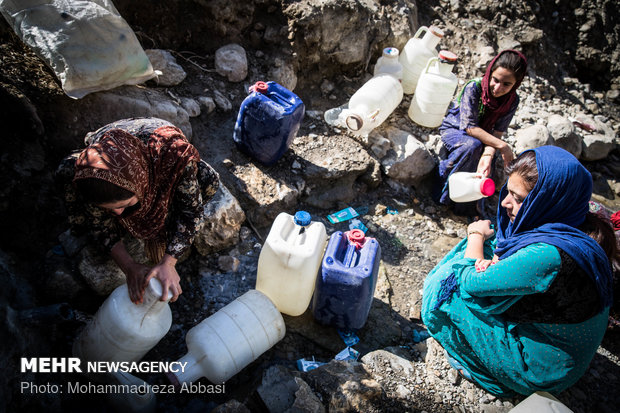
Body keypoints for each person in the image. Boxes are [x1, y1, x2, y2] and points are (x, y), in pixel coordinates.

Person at [422, 146, 617, 396]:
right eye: (509, 192)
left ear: (547, 200)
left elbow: (469, 282)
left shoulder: (547, 255)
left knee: (444, 289)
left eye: (519, 198)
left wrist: (474, 234)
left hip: (539, 372)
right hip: (561, 356)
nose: (504, 202)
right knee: (487, 249)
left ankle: (490, 373)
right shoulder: (576, 223)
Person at [56, 118, 219, 304]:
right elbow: (98, 223)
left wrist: (169, 262)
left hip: (156, 162)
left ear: (141, 186)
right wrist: (129, 266)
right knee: (69, 177)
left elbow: (191, 214)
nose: (118, 214)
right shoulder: (90, 170)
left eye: (124, 205)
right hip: (119, 171)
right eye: (109, 208)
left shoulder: (175, 159)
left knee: (207, 182)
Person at [436, 49, 528, 209]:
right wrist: (502, 146)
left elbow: (498, 132)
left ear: (516, 84)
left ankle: (464, 208)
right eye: (495, 80)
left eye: (506, 84)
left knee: (485, 170)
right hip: (455, 128)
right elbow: (469, 127)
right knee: (471, 147)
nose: (498, 88)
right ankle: (441, 193)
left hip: (483, 137)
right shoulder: (474, 88)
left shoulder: (511, 101)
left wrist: (488, 155)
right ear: (490, 73)